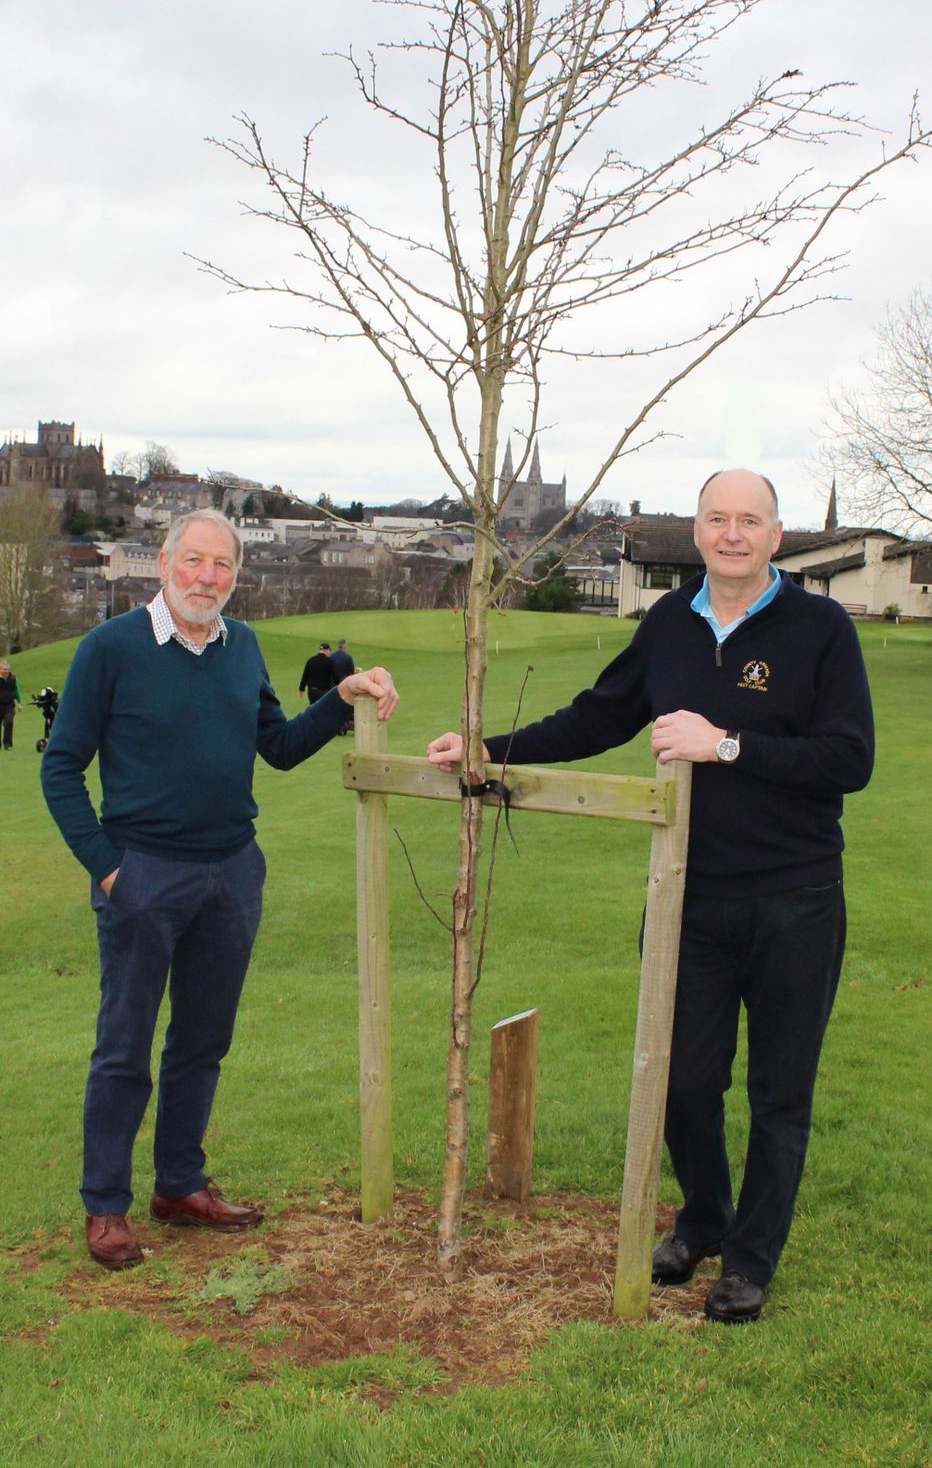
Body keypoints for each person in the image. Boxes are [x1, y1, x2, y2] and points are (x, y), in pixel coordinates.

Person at [427, 469, 873, 1324]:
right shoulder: (669, 622)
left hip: (796, 899)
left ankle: (749, 1261)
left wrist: (725, 744)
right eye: (718, 518)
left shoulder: (821, 629)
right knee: (682, 1082)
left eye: (750, 520)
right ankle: (703, 1218)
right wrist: (488, 750)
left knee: (780, 1095)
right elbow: (598, 716)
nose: (733, 534)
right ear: (697, 531)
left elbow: (849, 759)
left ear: (777, 537)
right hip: (687, 897)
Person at [41, 510, 399, 1270]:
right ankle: (106, 1207)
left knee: (203, 1040)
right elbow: (61, 766)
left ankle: (178, 1186)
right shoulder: (111, 649)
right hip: (143, 875)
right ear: (163, 563)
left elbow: (279, 747)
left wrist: (343, 695)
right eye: (194, 561)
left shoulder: (243, 647)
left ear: (238, 574)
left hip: (232, 872)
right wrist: (108, 867)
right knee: (124, 1046)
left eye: (223, 565)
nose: (207, 578)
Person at [329, 639, 356, 734]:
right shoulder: (348, 658)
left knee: (335, 707)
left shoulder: (331, 657)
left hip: (333, 686)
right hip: (344, 686)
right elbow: (351, 675)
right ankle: (346, 724)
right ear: (345, 647)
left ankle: (338, 727)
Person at [0, 659, 21, 750]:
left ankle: (8, 744)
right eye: (4, 669)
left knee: (9, 722)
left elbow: (17, 690)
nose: (6, 671)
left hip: (9, 705)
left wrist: (19, 703)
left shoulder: (13, 678)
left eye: (7, 669)